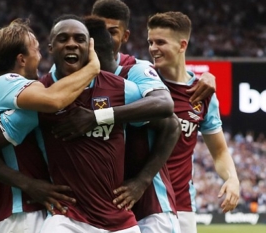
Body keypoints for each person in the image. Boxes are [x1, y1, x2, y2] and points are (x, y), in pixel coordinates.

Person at [0, 18, 100, 233]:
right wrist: (92, 68)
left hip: (41, 208)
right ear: (22, 59)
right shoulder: (5, 82)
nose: (41, 56)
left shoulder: (24, 93)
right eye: (36, 50)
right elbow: (54, 100)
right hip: (24, 214)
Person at [52, 16, 181, 233]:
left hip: (150, 204)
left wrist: (142, 181)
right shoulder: (72, 85)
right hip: (107, 208)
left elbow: (170, 118)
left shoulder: (133, 73)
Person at [147, 11, 240, 233]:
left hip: (182, 206)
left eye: (160, 42)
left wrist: (233, 178)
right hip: (141, 201)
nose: (152, 48)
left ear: (182, 45)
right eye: (150, 42)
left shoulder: (203, 94)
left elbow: (219, 152)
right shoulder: (141, 81)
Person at [91, 0, 215, 105]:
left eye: (112, 32)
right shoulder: (73, 65)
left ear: (125, 36)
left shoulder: (136, 69)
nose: (104, 37)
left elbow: (165, 104)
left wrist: (206, 77)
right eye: (99, 30)